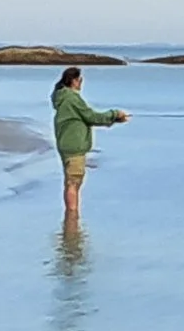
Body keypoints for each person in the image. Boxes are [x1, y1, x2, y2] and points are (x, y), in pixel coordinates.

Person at [51, 66, 129, 223]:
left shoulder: (62, 98)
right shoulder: (72, 98)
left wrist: (113, 119)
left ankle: (70, 216)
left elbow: (87, 117)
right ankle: (72, 219)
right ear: (74, 81)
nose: (81, 84)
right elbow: (91, 116)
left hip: (65, 145)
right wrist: (115, 115)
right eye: (80, 80)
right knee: (74, 182)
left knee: (70, 182)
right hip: (74, 146)